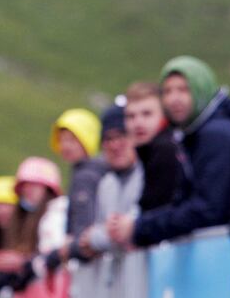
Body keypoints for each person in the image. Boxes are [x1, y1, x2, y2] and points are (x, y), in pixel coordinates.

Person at [107, 56, 230, 248]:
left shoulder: (216, 135)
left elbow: (208, 209)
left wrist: (139, 228)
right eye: (167, 91)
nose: (174, 99)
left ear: (201, 88)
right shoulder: (191, 137)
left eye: (183, 89)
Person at [0, 157, 66, 282]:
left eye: (33, 185)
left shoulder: (57, 213)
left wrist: (22, 263)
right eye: (24, 186)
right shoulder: (33, 219)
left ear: (48, 188)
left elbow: (54, 256)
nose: (27, 190)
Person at [80, 104, 143, 257]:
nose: (115, 145)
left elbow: (133, 230)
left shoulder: (148, 173)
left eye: (121, 135)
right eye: (108, 139)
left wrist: (96, 238)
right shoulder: (106, 185)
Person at [122, 81, 181, 211]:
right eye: (131, 116)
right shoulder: (147, 154)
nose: (138, 123)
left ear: (164, 116)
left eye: (147, 114)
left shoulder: (165, 151)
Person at [51, 109, 109, 240]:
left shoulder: (85, 176)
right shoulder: (98, 169)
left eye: (72, 140)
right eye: (61, 140)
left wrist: (73, 248)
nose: (65, 146)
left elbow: (82, 225)